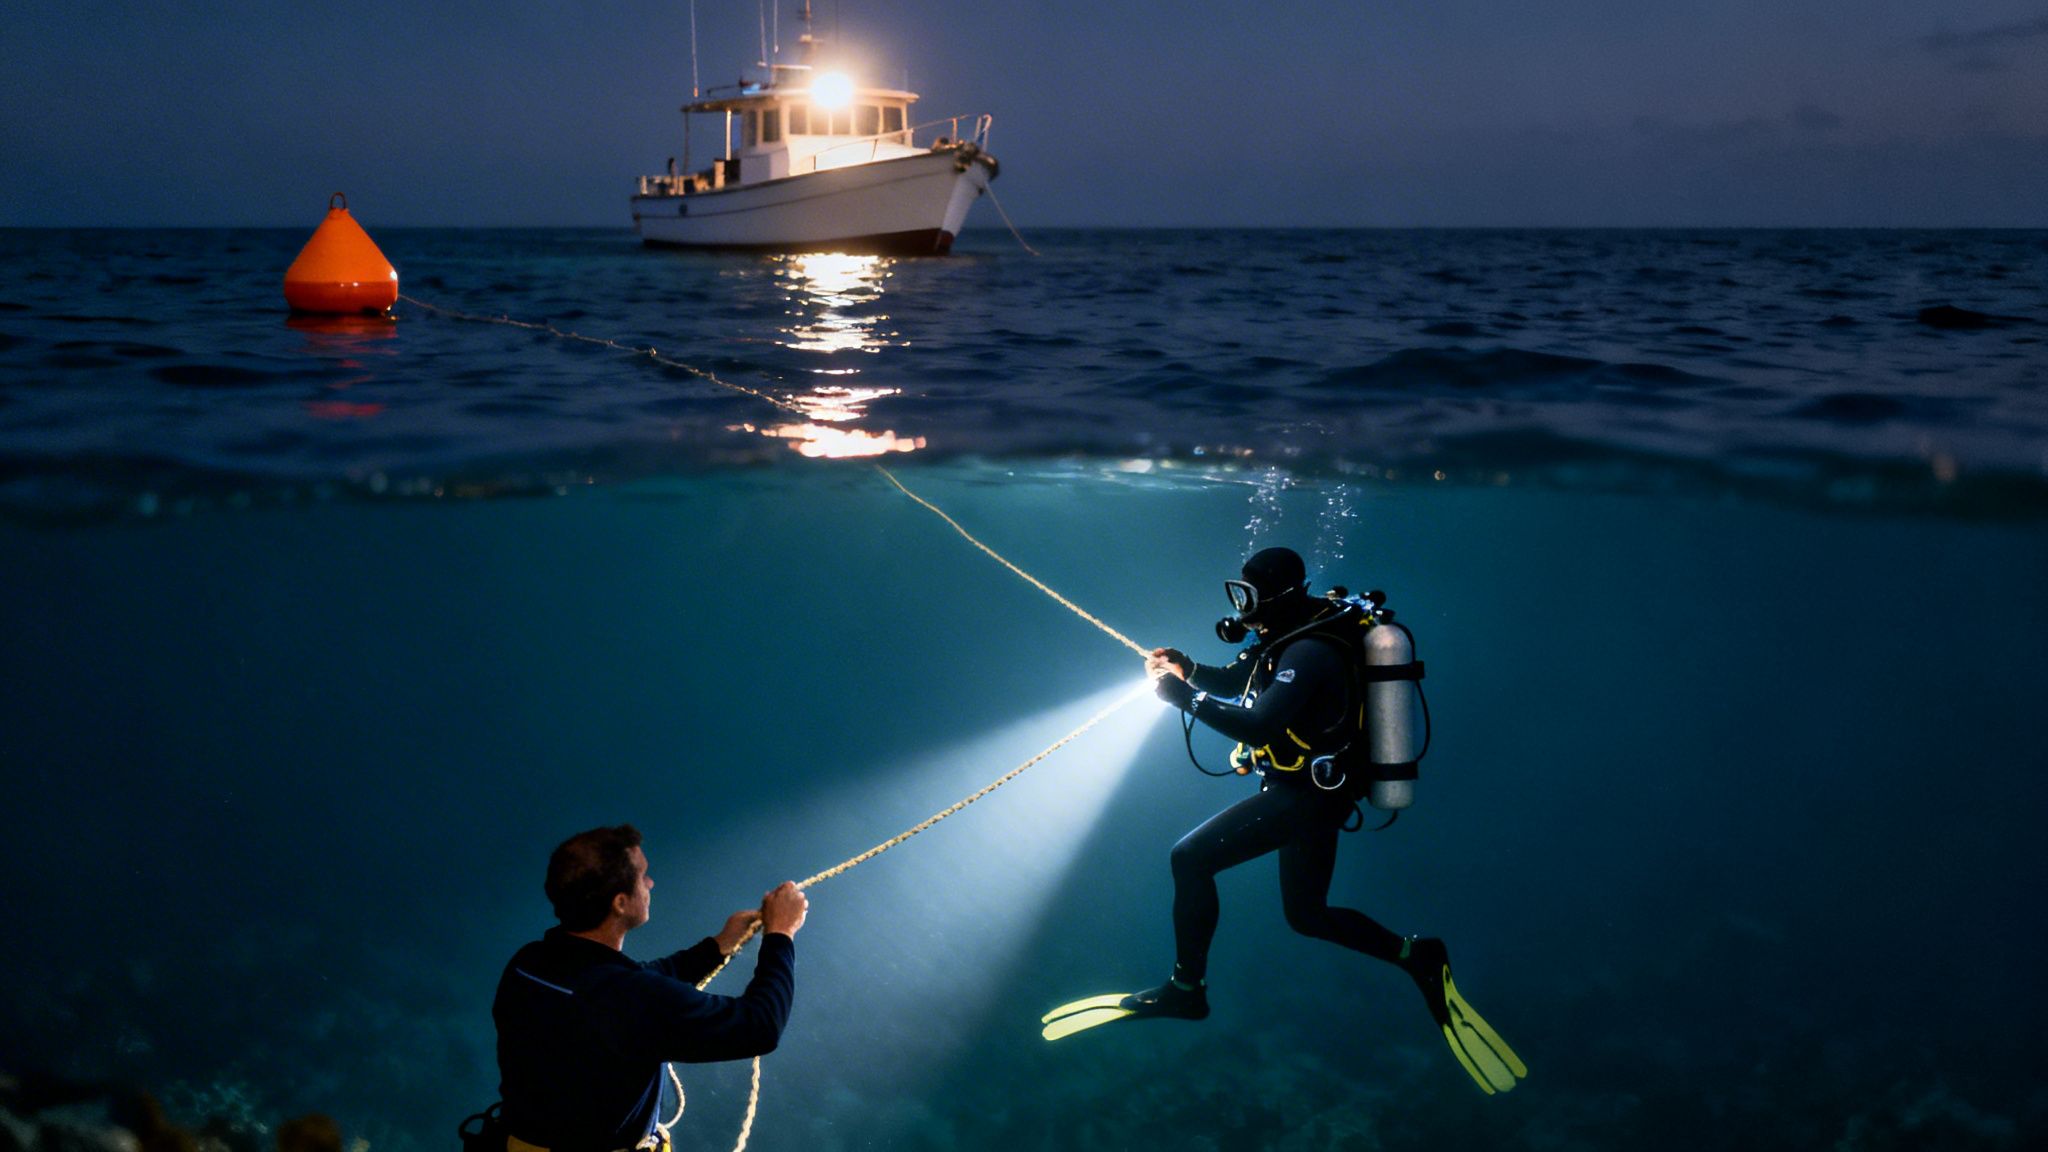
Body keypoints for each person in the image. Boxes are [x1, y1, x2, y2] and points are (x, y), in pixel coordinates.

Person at [1042, 547, 1524, 1094]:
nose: (1242, 607)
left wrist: (1183, 698)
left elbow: (1261, 727)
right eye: (1237, 593)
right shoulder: (1285, 635)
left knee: (1190, 858)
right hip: (1311, 790)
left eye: (1249, 595)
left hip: (1310, 796)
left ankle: (1186, 991)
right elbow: (1234, 681)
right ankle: (1419, 956)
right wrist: (1189, 670)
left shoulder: (1313, 648)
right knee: (1308, 915)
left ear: (1278, 594)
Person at [493, 825, 809, 1152]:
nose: (650, 882)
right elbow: (760, 1026)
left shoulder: (527, 964)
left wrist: (720, 945)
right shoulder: (630, 999)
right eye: (643, 876)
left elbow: (636, 981)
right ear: (620, 902)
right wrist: (781, 935)